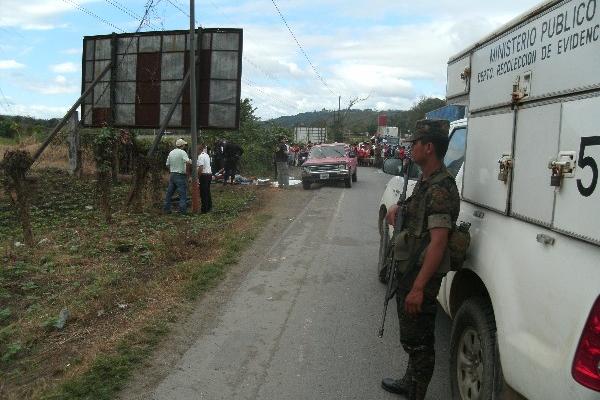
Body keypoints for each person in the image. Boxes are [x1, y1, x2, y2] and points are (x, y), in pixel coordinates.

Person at [381, 119, 460, 400]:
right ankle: (409, 380)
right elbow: (417, 214)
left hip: (421, 275)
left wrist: (418, 288)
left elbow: (438, 243)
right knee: (412, 337)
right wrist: (397, 207)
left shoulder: (440, 188)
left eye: (415, 143)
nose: (410, 148)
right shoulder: (426, 181)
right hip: (410, 268)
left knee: (421, 342)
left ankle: (417, 393)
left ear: (429, 148)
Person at [164, 138, 192, 214]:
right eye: (184, 145)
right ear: (182, 145)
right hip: (180, 175)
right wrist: (188, 173)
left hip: (172, 175)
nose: (185, 146)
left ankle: (167, 209)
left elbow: (167, 164)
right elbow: (188, 162)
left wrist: (172, 170)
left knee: (169, 193)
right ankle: (182, 211)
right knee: (183, 194)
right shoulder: (183, 152)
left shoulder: (171, 152)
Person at [197, 143, 212, 214]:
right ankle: (209, 207)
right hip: (209, 175)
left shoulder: (200, 156)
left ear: (199, 149)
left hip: (204, 175)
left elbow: (201, 168)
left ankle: (204, 209)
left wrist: (197, 176)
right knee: (207, 191)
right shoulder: (207, 155)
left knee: (203, 193)